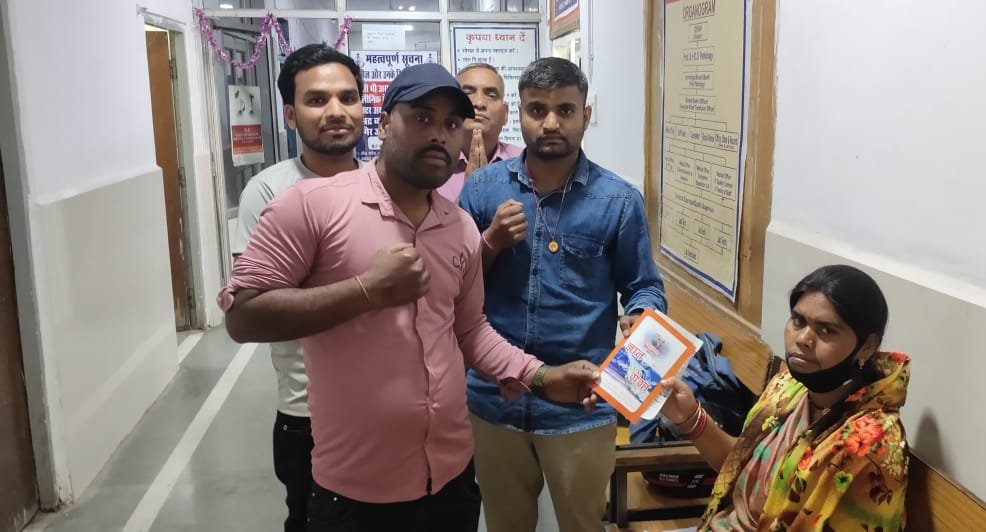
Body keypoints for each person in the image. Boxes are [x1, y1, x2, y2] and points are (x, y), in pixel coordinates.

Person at [218, 62, 601, 532]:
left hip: (452, 483)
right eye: (422, 118)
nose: (439, 134)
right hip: (354, 495)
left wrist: (542, 377)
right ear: (384, 122)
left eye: (452, 123)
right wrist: (366, 290)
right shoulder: (310, 205)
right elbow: (243, 315)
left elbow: (470, 331)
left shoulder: (460, 227)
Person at [458, 57, 667, 532]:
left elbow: (644, 285)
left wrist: (640, 315)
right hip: (495, 398)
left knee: (582, 525)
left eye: (565, 110)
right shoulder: (481, 191)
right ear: (520, 114)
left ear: (585, 116)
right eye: (537, 109)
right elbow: (455, 288)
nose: (551, 123)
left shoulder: (618, 200)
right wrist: (490, 241)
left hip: (581, 406)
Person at [657, 265, 909, 531]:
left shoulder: (869, 445)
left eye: (827, 330)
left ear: (867, 346)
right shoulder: (788, 386)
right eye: (798, 321)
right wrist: (689, 416)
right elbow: (738, 470)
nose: (803, 339)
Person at [229, 43, 365, 532]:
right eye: (316, 100)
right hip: (308, 413)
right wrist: (367, 289)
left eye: (347, 97)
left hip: (386, 405)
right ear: (290, 115)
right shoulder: (270, 192)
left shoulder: (385, 185)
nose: (336, 111)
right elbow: (251, 314)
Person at [437, 62, 522, 201]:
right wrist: (468, 196)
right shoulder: (432, 161)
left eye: (491, 95)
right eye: (468, 93)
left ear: (505, 113)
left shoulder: (524, 162)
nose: (479, 103)